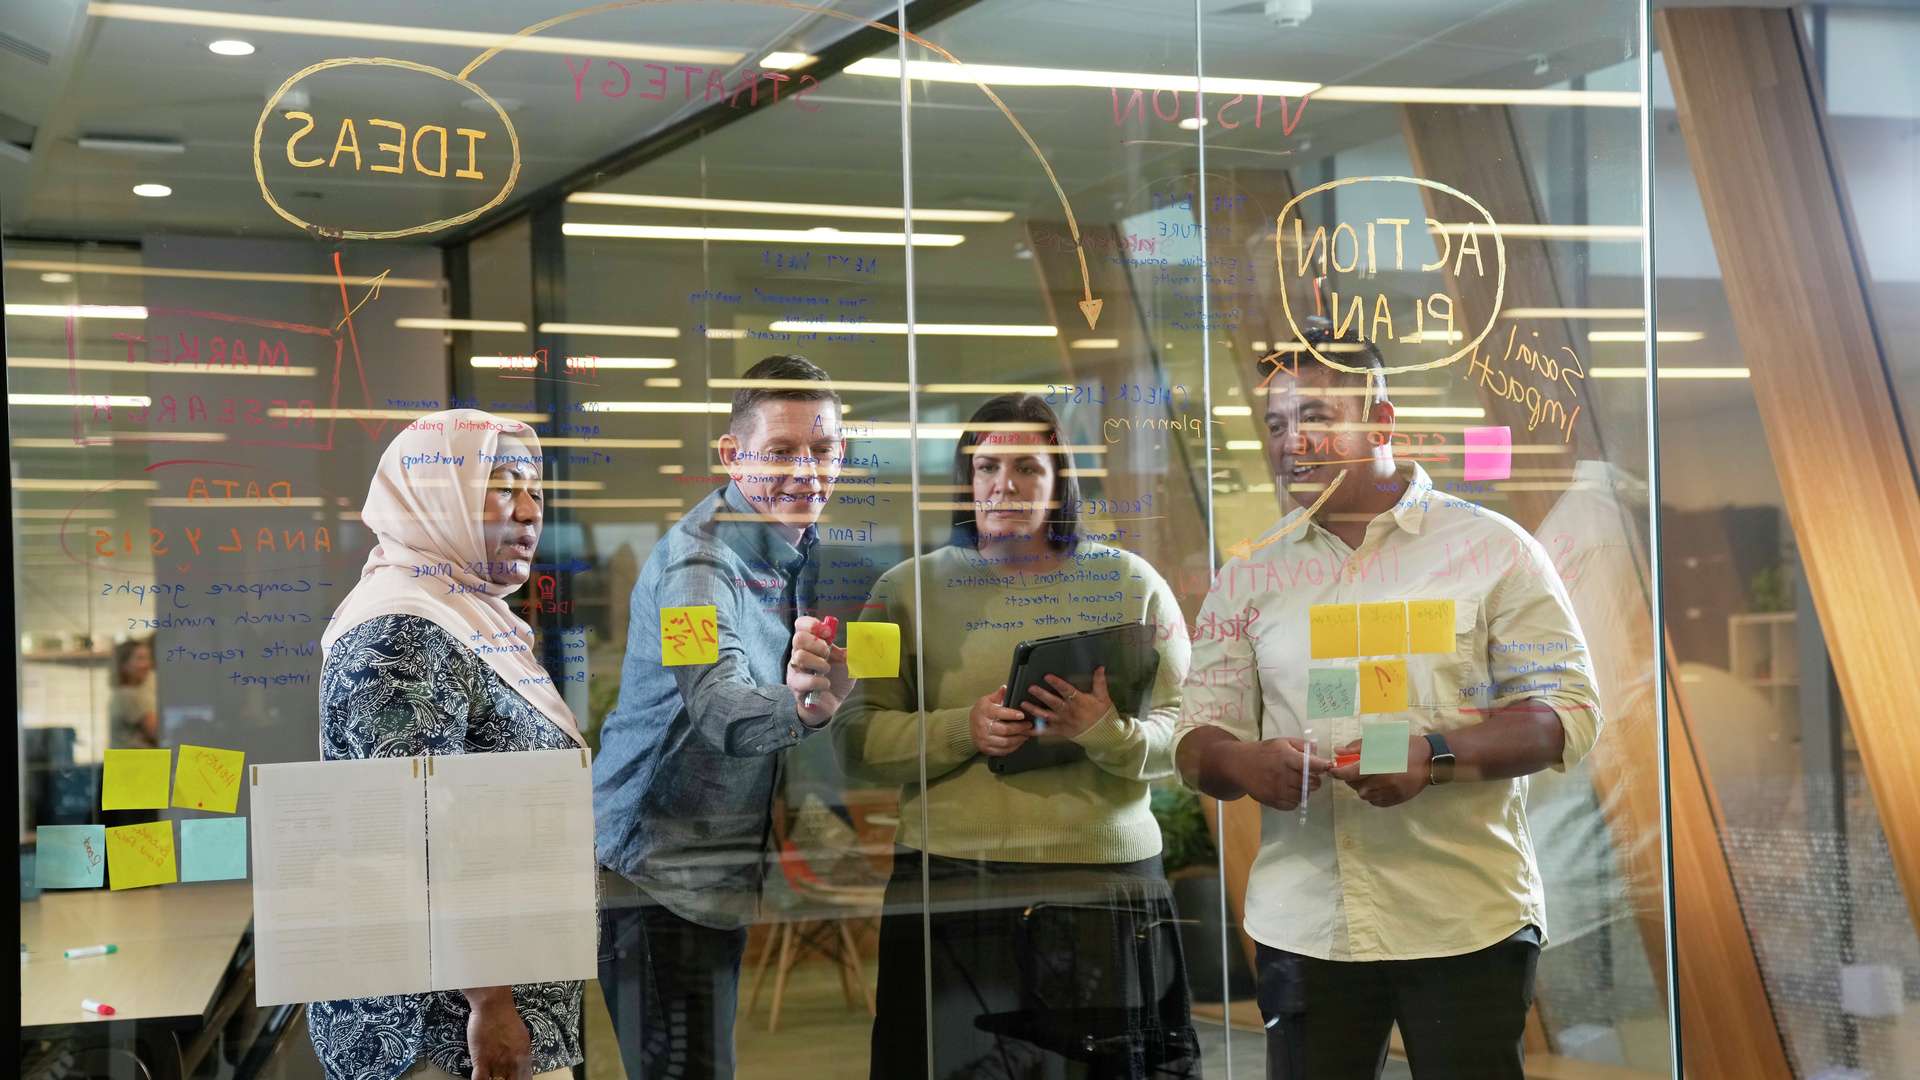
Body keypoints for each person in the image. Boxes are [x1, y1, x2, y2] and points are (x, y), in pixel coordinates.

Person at [1173, 317, 1604, 1080]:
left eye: (1314, 416)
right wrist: (1243, 763)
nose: (1290, 441)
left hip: (1462, 922)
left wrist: (1434, 754)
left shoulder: (1492, 551)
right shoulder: (1251, 578)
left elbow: (1564, 714)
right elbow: (1197, 740)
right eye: (1275, 423)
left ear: (1381, 421)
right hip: (1305, 930)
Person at [834, 393, 1201, 1078]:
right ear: (966, 482)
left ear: (1060, 480)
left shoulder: (1132, 584)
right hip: (950, 887)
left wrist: (1106, 733)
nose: (1005, 484)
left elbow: (1187, 729)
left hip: (1103, 888)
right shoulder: (896, 592)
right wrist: (961, 730)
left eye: (1029, 467)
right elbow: (853, 739)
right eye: (987, 466)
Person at [593, 354, 851, 1080]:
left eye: (824, 449)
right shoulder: (697, 572)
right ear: (732, 456)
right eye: (781, 452)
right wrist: (803, 705)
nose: (807, 471)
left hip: (712, 876)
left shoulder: (786, 547)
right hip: (655, 880)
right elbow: (716, 701)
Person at [309, 408, 585, 1080]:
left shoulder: (469, 617)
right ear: (437, 496)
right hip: (437, 1032)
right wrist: (490, 1000)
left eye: (536, 493)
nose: (527, 512)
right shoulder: (404, 632)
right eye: (501, 486)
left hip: (491, 1007)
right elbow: (412, 837)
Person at [107, 637, 158, 749]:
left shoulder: (122, 693)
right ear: (124, 665)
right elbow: (157, 733)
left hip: (128, 764)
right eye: (140, 659)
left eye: (148, 658)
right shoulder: (129, 696)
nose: (147, 665)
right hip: (135, 764)